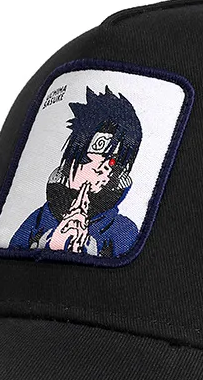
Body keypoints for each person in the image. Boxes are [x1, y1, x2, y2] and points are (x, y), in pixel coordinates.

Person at [10, 85, 143, 258]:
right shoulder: (38, 220)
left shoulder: (122, 230)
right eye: (94, 153)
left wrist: (86, 249)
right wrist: (51, 243)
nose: (102, 168)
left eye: (113, 161)